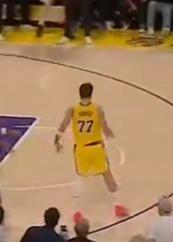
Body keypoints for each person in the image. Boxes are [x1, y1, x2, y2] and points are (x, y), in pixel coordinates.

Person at [55, 82, 129, 224]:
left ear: (79, 93)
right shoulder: (97, 108)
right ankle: (118, 206)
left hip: (81, 149)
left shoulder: (73, 109)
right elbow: (105, 127)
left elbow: (63, 126)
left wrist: (57, 138)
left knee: (80, 178)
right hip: (96, 147)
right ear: (91, 93)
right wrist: (112, 135)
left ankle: (77, 213)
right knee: (107, 175)